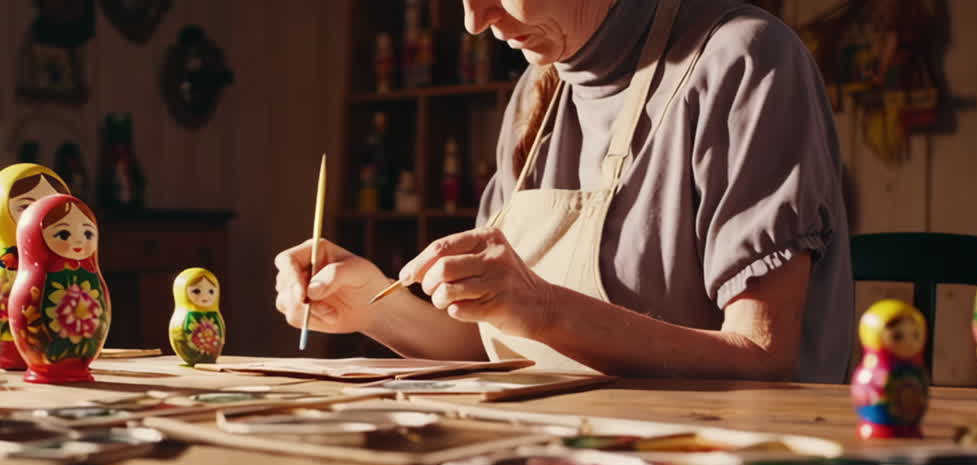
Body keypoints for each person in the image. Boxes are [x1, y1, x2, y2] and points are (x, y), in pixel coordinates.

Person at [275, 0, 852, 382]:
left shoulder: (743, 59)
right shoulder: (538, 92)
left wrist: (543, 306)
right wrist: (372, 304)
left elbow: (766, 358)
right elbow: (496, 345)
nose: (477, 19)